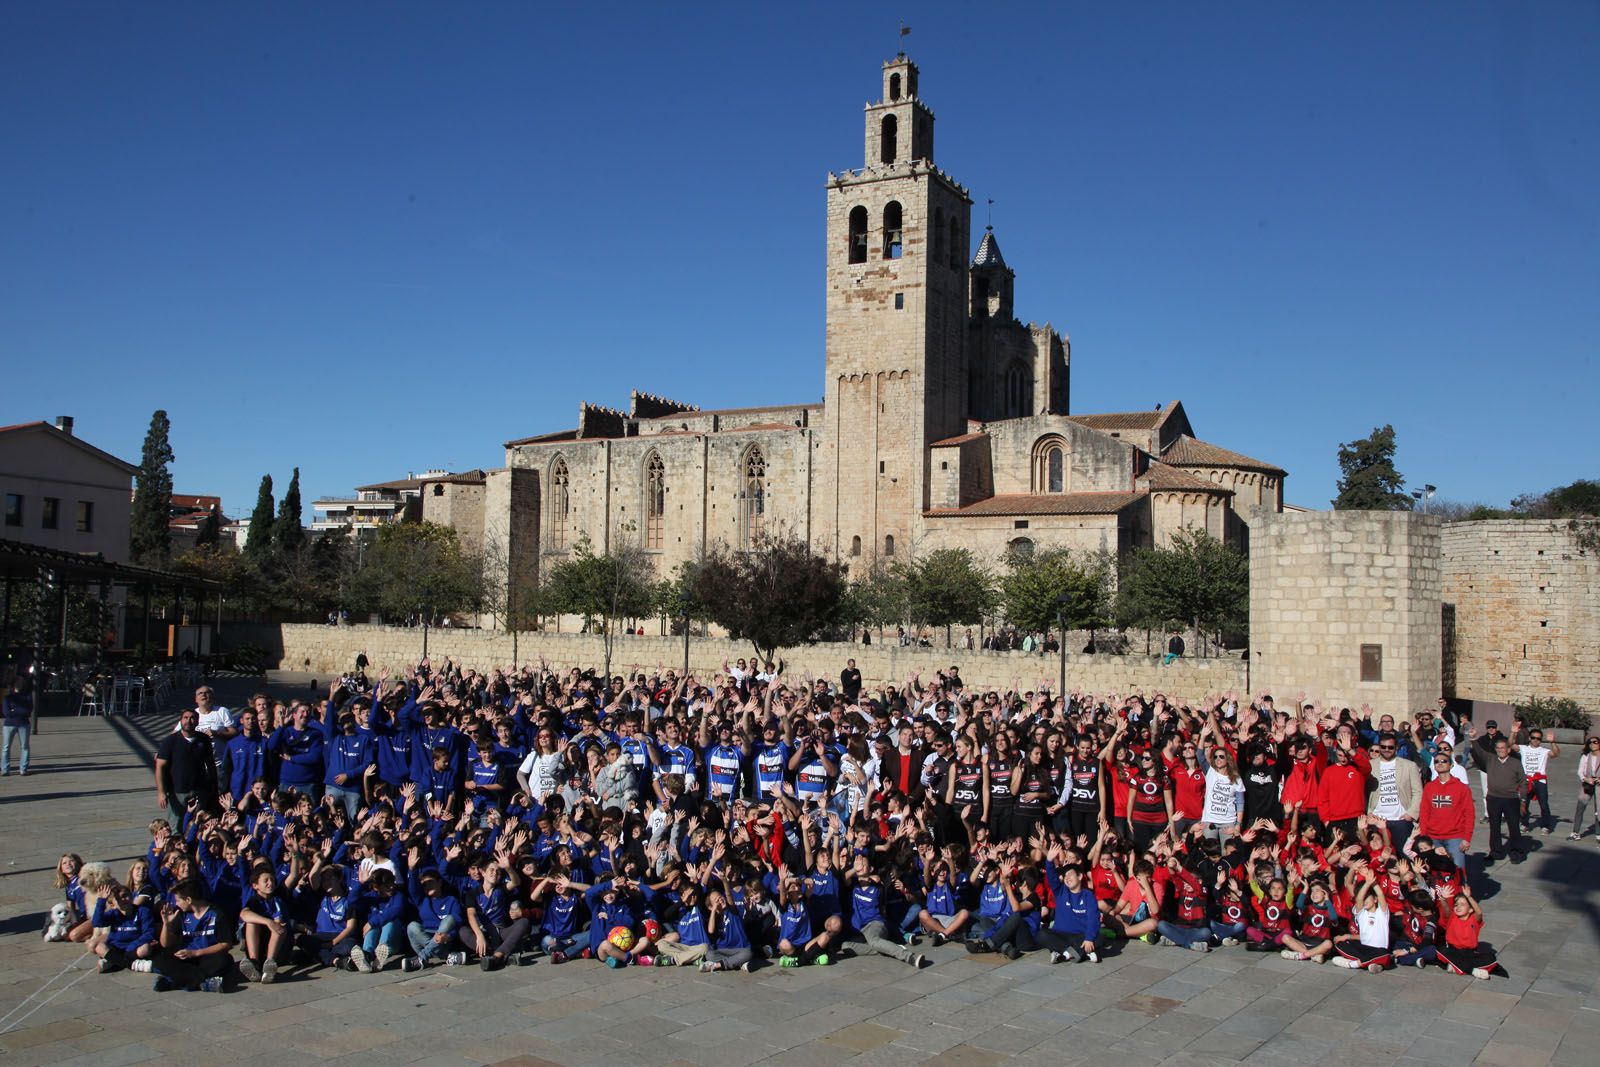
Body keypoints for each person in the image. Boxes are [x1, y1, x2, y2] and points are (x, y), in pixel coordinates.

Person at [1469, 730, 1527, 864]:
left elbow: (1523, 782)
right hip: (1493, 798)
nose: (1500, 750)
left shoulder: (1515, 763)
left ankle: (1516, 852)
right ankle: (1496, 852)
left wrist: (1523, 800)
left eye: (1503, 748)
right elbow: (1479, 752)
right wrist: (1473, 739)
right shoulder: (1491, 759)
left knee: (1514, 827)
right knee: (1494, 826)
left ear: (1508, 749)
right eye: (1498, 748)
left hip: (1511, 799)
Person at [155, 708, 218, 824]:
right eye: (185, 718)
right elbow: (160, 766)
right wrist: (161, 792)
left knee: (198, 824)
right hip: (177, 791)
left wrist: (213, 786)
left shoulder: (204, 740)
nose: (189, 721)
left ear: (197, 722)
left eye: (192, 718)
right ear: (180, 721)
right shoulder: (170, 740)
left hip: (199, 789)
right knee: (176, 826)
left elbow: (210, 764)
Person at [1, 670, 32, 777]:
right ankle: (5, 769)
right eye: (18, 682)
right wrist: (19, 710)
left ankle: (23, 769)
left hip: (23, 723)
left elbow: (28, 710)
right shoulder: (8, 697)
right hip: (9, 724)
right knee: (6, 747)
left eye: (22, 682)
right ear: (14, 684)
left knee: (25, 746)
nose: (20, 684)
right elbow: (6, 712)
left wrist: (15, 710)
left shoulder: (27, 696)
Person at [1570, 736, 1600, 842]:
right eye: (1590, 742)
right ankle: (1575, 832)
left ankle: (1598, 834)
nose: (1592, 744)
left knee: (1598, 810)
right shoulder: (1586, 756)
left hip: (1599, 786)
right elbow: (1580, 771)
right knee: (1580, 808)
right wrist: (1585, 778)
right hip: (1587, 784)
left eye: (1595, 742)